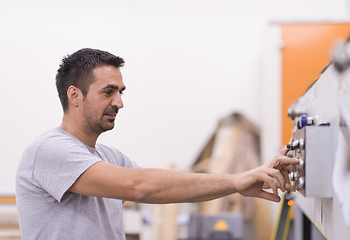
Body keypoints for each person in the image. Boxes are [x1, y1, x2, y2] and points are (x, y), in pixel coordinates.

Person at [16, 48, 298, 240]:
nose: (119, 102)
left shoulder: (108, 156)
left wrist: (238, 182)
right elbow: (141, 186)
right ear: (75, 96)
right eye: (108, 92)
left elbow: (167, 187)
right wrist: (236, 180)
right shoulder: (50, 149)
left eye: (121, 92)